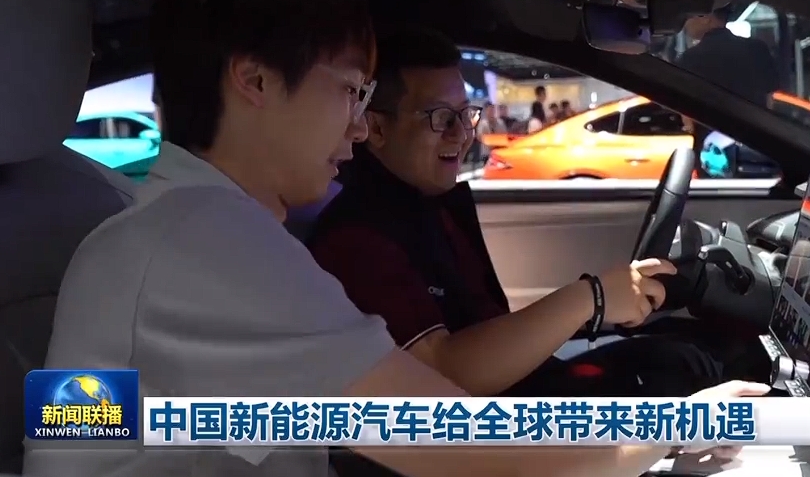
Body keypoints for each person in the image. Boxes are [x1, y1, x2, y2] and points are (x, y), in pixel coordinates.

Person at [25, 0, 766, 477]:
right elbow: (456, 445)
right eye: (351, 92)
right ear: (254, 80)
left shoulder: (180, 226)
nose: (358, 127)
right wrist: (682, 424)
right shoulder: (202, 238)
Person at [310, 26, 745, 400]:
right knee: (689, 369)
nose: (461, 135)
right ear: (377, 127)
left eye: (466, 115)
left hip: (513, 400)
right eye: (440, 118)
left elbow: (484, 329)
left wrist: (593, 305)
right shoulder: (358, 240)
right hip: (481, 436)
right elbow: (442, 374)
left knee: (687, 355)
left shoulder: (429, 206)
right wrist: (591, 299)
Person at [677, 0, 780, 176]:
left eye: (688, 17)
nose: (685, 24)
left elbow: (687, 116)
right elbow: (769, 101)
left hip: (711, 154)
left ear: (706, 17)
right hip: (755, 151)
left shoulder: (689, 58)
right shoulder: (757, 49)